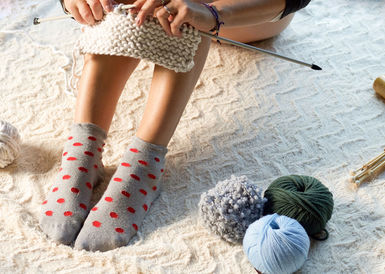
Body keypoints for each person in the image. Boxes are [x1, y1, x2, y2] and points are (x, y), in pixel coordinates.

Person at [39, 0, 311, 252]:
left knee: (182, 8)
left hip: (247, 13)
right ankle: (82, 151)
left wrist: (215, 14)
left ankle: (144, 164)